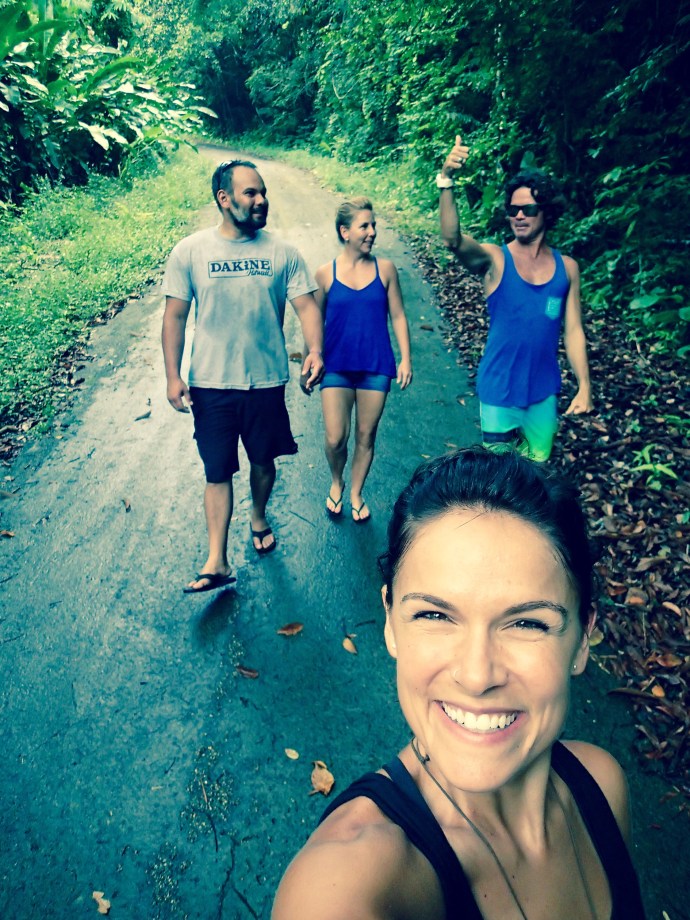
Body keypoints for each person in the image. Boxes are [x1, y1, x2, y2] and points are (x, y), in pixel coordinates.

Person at [273, 447, 645, 919]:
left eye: (527, 623)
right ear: (390, 621)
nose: (476, 675)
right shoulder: (343, 889)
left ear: (582, 638)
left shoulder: (602, 785)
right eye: (434, 615)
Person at [161, 159, 323, 593]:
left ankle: (258, 514)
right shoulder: (191, 251)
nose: (261, 200)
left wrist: (315, 350)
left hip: (265, 382)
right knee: (217, 470)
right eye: (251, 193)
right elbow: (175, 316)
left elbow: (307, 306)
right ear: (224, 198)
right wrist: (173, 376)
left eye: (263, 192)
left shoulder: (282, 253)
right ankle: (216, 560)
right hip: (210, 384)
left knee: (263, 461)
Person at [438, 136, 593, 462]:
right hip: (499, 390)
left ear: (546, 212)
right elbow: (452, 239)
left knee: (536, 475)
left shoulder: (567, 269)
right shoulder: (495, 259)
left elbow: (573, 331)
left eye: (528, 209)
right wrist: (446, 180)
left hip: (543, 394)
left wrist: (584, 386)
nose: (519, 216)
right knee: (500, 478)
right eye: (512, 209)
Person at [314, 197, 412, 524]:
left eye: (373, 226)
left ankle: (356, 492)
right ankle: (337, 481)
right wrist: (309, 360)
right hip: (336, 366)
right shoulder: (325, 274)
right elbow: (314, 322)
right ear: (345, 232)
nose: (372, 232)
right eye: (364, 226)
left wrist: (405, 358)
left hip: (375, 366)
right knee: (335, 438)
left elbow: (398, 315)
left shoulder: (386, 270)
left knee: (366, 436)